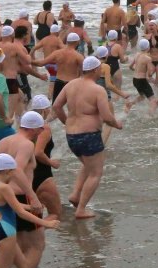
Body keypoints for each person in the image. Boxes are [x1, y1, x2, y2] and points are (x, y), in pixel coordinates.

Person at [52, 56, 123, 219]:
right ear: (94, 70)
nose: (100, 71)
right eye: (99, 68)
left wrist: (66, 122)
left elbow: (56, 106)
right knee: (96, 173)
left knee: (88, 165)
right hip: (89, 136)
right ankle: (81, 209)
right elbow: (106, 116)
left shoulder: (71, 85)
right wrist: (117, 124)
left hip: (71, 136)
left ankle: (76, 195)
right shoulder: (98, 90)